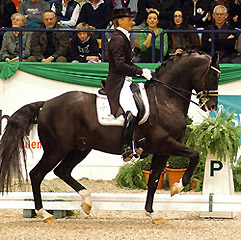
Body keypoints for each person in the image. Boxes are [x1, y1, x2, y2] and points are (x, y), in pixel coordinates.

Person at [105, 8, 153, 162]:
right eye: (129, 19)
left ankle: (138, 140)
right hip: (118, 82)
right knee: (132, 109)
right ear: (120, 21)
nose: (132, 22)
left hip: (126, 80)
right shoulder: (118, 39)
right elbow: (119, 66)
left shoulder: (124, 37)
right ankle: (126, 147)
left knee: (142, 104)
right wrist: (140, 72)